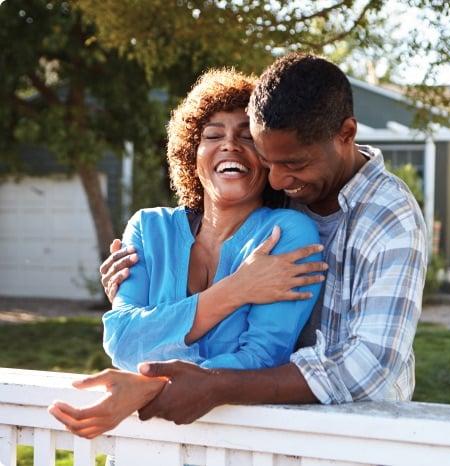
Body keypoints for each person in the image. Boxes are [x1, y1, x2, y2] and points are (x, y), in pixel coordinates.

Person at [58, 53, 428, 431]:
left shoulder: (382, 217)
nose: (280, 180)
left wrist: (167, 385)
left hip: (356, 433)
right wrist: (236, 289)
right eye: (270, 161)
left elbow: (367, 366)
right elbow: (121, 336)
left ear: (346, 134)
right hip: (232, 431)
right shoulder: (161, 225)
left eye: (293, 164)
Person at [48, 68, 326, 439]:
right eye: (213, 135)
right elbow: (123, 341)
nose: (229, 145)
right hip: (147, 447)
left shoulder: (288, 235)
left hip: (235, 445)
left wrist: (152, 383)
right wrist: (238, 289)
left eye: (248, 138)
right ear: (190, 155)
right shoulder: (149, 228)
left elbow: (262, 359)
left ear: (267, 158)